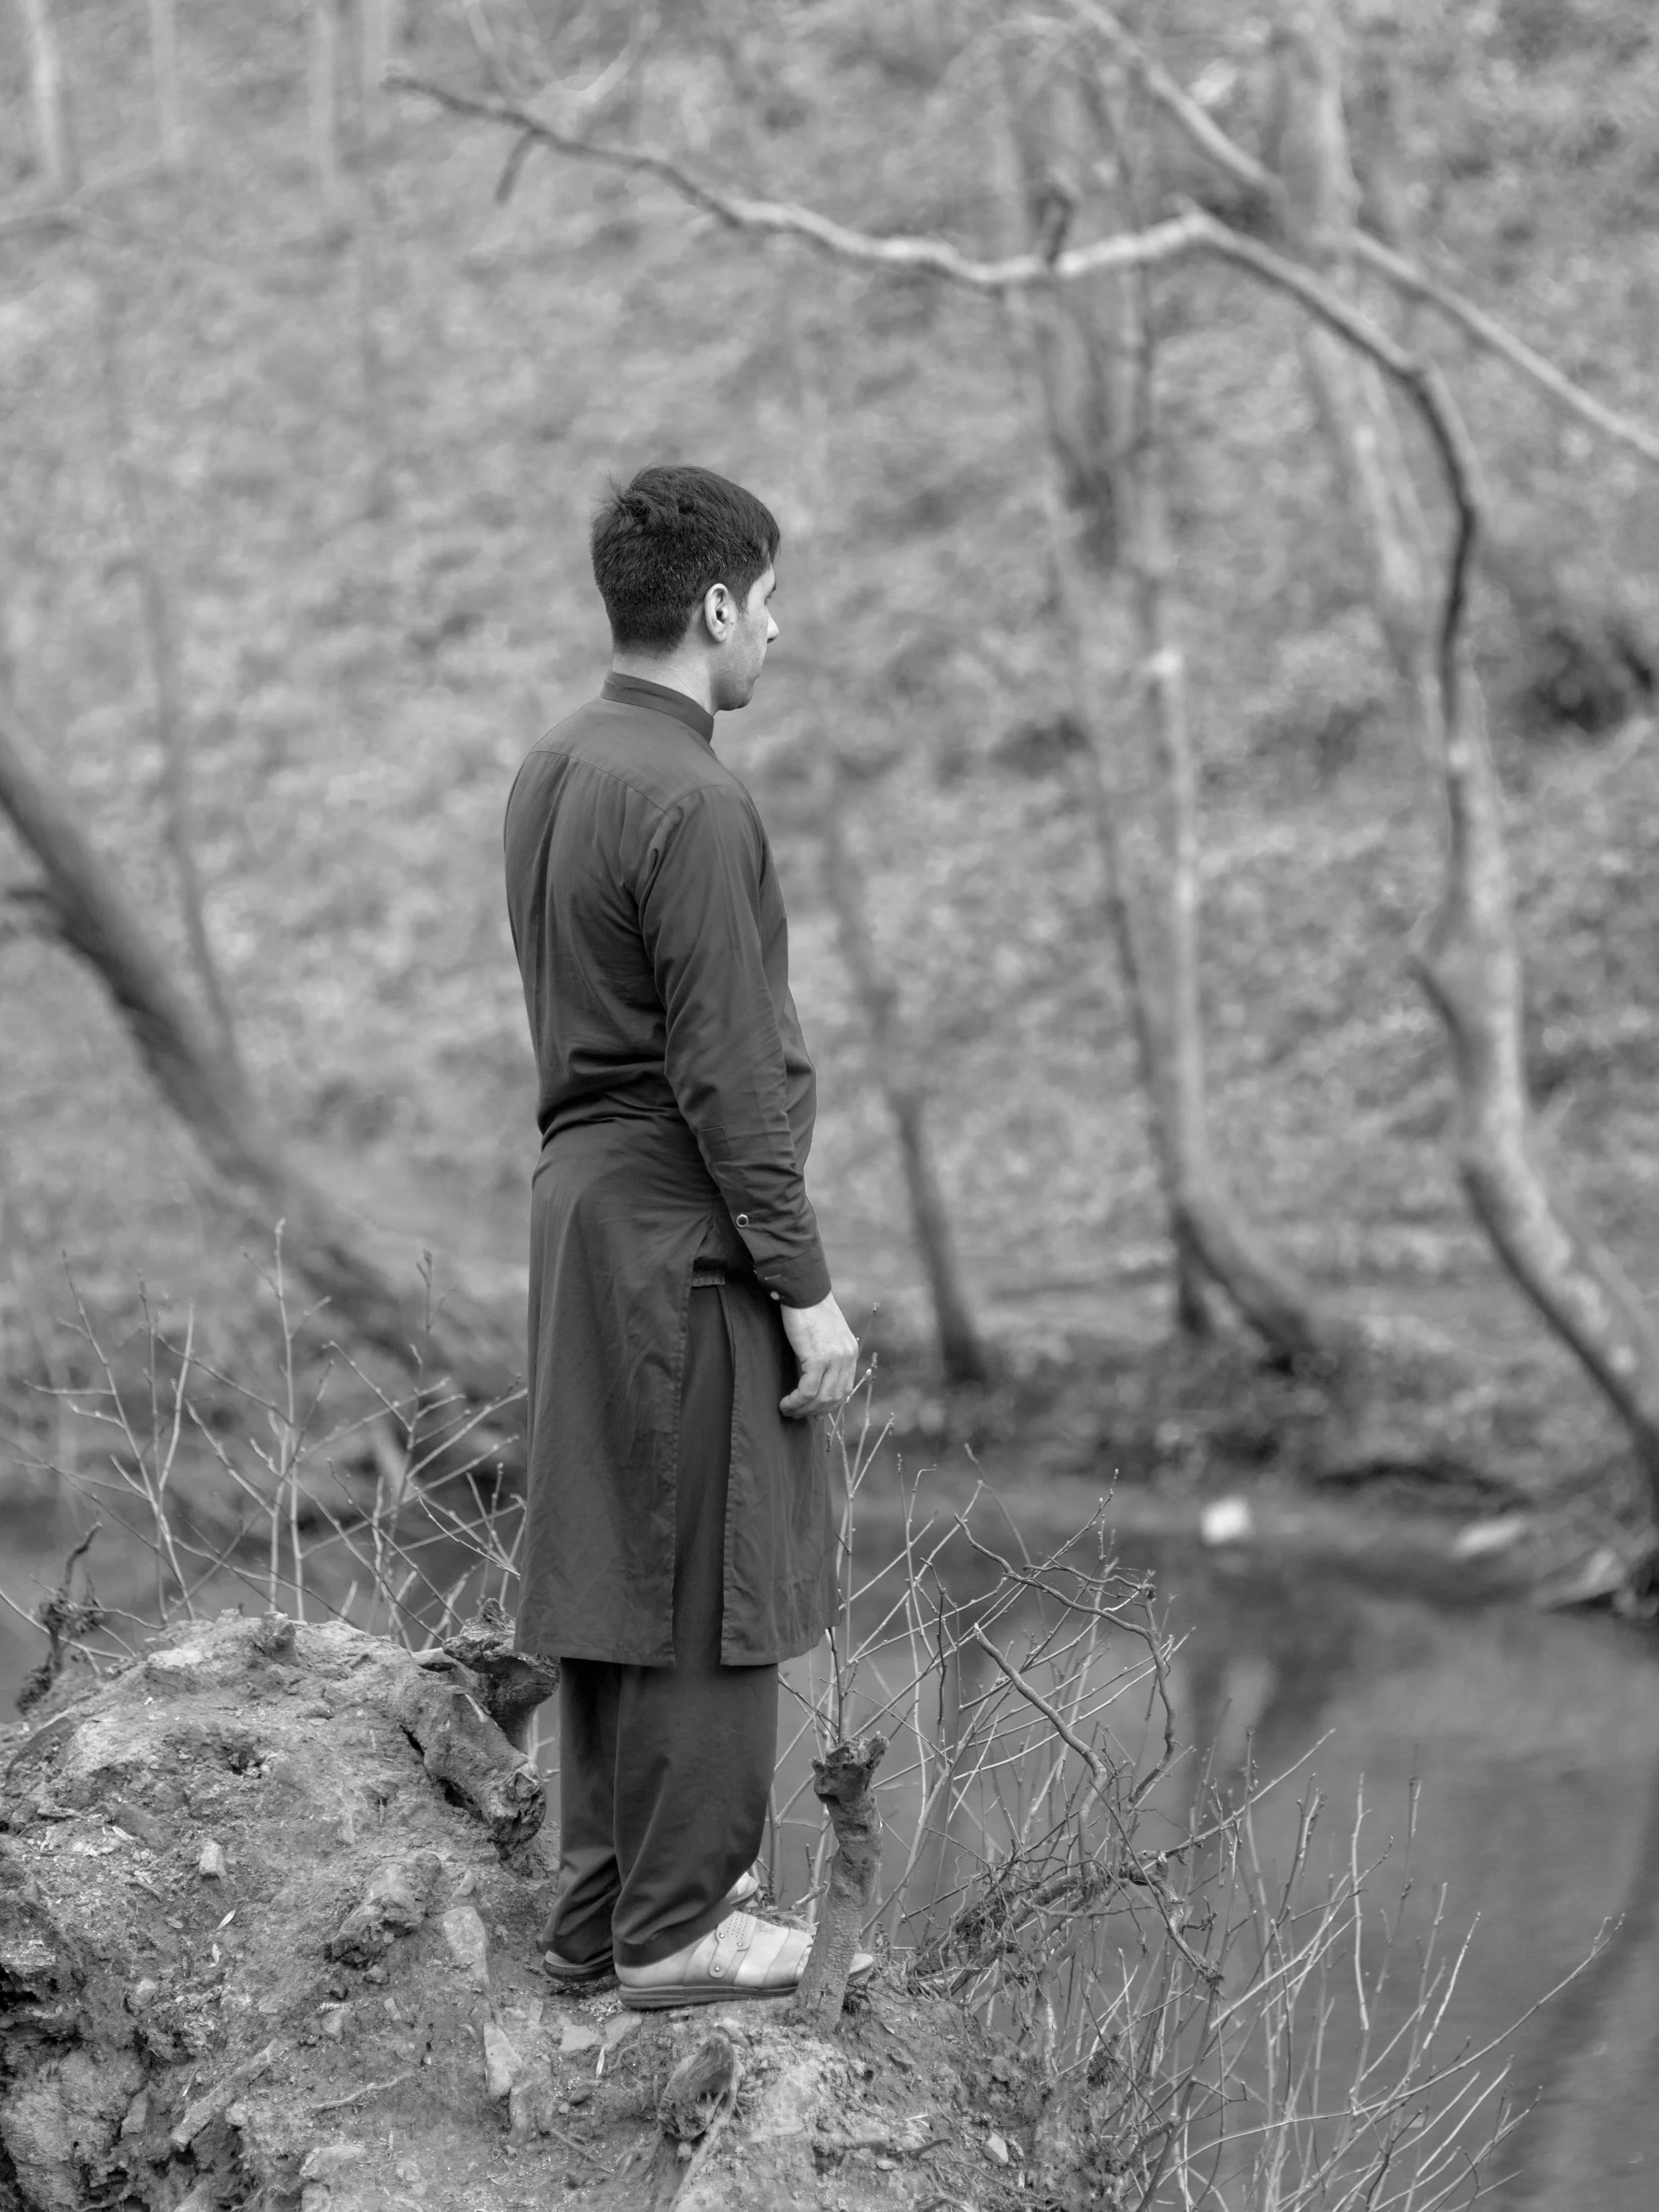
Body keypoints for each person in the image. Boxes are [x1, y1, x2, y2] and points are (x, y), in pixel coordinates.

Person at [502, 463, 865, 2008]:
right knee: (716, 1568)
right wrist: (804, 1287)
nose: (776, 630)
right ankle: (680, 1923)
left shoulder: (555, 764)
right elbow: (729, 1076)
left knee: (615, 1563)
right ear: (715, 605)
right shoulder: (695, 800)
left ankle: (599, 1917)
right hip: (683, 1230)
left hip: (585, 1215)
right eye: (767, 600)